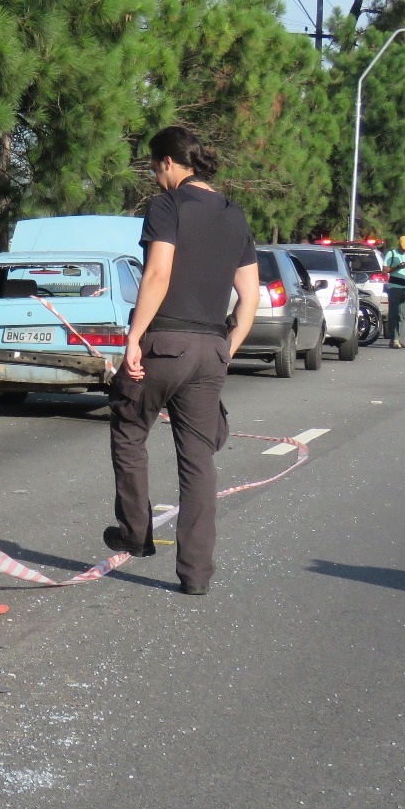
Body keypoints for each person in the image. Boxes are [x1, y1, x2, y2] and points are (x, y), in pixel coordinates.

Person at [104, 126, 259, 597]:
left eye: (154, 167)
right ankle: (195, 574)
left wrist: (134, 338)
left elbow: (158, 272)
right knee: (198, 462)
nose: (155, 177)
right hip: (211, 348)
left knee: (129, 430)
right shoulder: (235, 215)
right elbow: (249, 298)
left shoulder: (168, 206)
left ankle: (135, 533)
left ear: (168, 163)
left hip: (165, 341)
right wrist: (225, 349)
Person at [382, 235, 405, 349]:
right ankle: (393, 339)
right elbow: (385, 269)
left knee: (402, 314)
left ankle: (397, 338)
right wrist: (397, 267)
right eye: (404, 247)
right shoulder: (392, 253)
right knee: (394, 313)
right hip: (394, 287)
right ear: (399, 245)